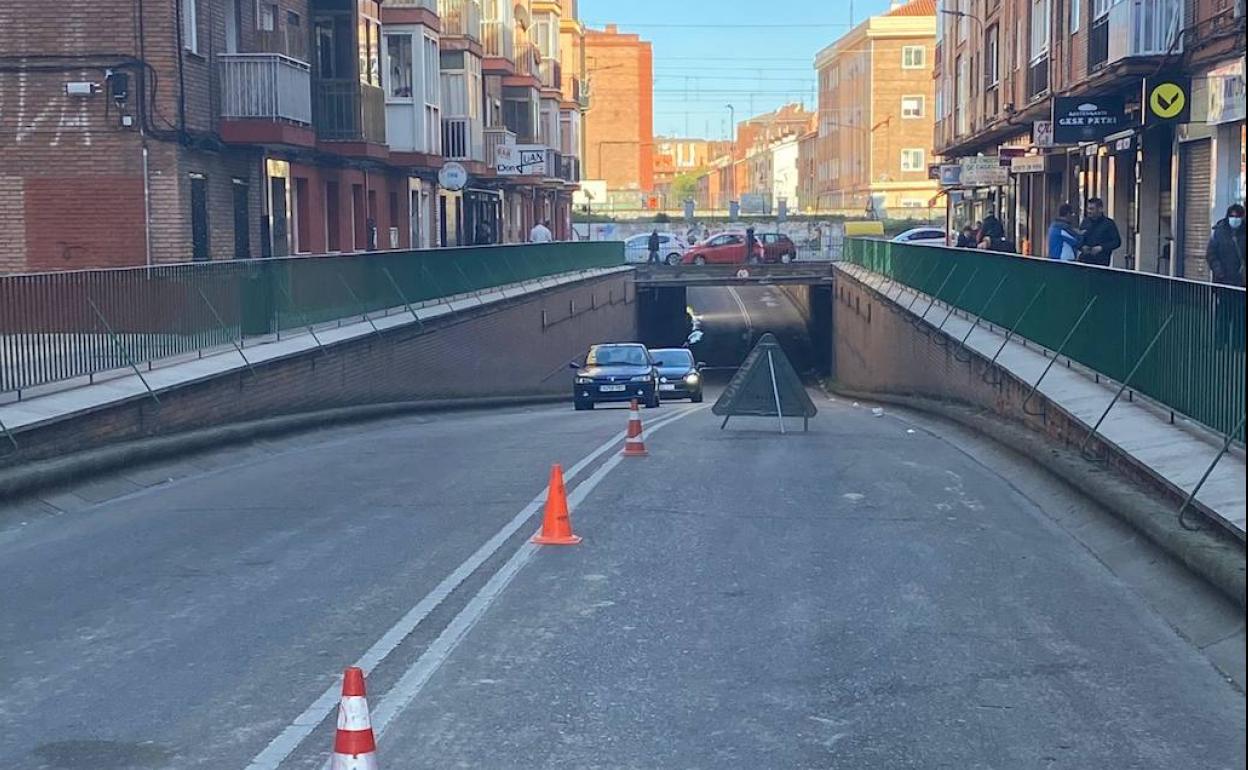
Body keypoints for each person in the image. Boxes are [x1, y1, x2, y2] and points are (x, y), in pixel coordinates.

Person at [1206, 203, 1246, 287]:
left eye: (1238, 216)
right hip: (1223, 281)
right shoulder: (1219, 232)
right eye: (1232, 216)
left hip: (1241, 282)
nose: (1235, 219)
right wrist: (1218, 271)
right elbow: (1211, 254)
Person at [1078, 198, 1121, 266]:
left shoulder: (1108, 224)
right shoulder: (1085, 222)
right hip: (1084, 261)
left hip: (1101, 262)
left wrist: (1101, 248)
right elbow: (1079, 238)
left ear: (1100, 209)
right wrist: (1082, 247)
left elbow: (1116, 242)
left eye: (1092, 209)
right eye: (1088, 208)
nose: (1089, 211)